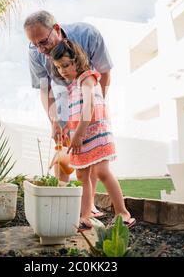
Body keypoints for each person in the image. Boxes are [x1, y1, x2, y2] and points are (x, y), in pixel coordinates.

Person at [24, 10, 112, 218]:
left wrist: (96, 108)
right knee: (62, 149)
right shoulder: (35, 52)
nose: (40, 49)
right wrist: (54, 121)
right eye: (35, 44)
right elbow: (45, 89)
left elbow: (105, 73)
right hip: (64, 97)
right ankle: (62, 202)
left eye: (43, 42)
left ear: (56, 29)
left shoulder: (88, 35)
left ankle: (88, 206)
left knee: (89, 153)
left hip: (90, 91)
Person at [49, 39, 136, 230]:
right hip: (81, 137)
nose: (62, 70)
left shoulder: (87, 78)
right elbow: (75, 111)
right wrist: (67, 130)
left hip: (95, 134)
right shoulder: (72, 87)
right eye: (58, 67)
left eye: (65, 65)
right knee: (82, 176)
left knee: (102, 172)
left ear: (76, 60)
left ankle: (123, 212)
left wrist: (78, 134)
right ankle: (86, 216)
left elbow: (88, 107)